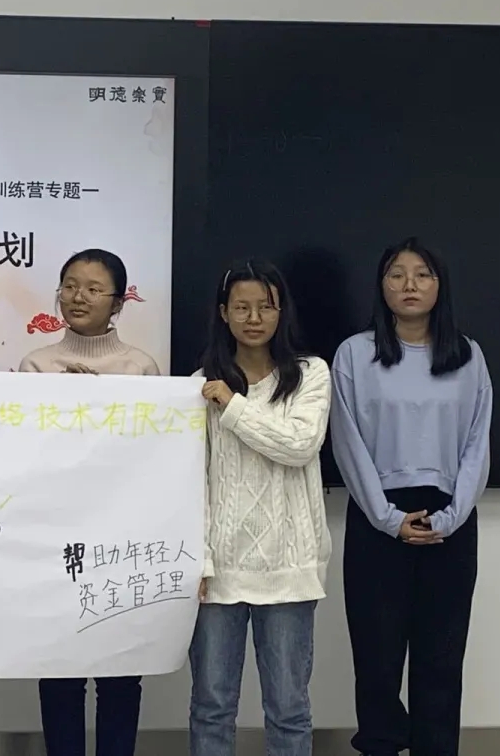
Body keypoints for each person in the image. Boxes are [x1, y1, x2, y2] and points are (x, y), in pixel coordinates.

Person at [330, 237, 492, 756]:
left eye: (422, 274)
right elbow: (347, 441)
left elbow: (477, 444)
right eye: (396, 274)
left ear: (439, 285)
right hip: (378, 519)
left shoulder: (467, 355)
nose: (409, 285)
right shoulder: (355, 354)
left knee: (440, 660)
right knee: (376, 662)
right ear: (382, 285)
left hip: (449, 522)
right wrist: (386, 517)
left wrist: (452, 516)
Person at [19, 248, 159, 756]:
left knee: (121, 672)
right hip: (55, 536)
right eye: (70, 285)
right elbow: (22, 452)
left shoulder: (141, 368)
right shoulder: (36, 365)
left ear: (118, 303)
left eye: (94, 289)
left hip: (122, 538)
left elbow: (153, 455)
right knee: (60, 671)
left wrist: (101, 406)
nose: (78, 297)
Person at [189, 260, 332, 756]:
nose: (254, 318)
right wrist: (200, 560)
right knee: (211, 707)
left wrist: (232, 406)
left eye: (266, 307)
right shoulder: (201, 384)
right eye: (242, 307)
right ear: (223, 313)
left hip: (289, 567)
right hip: (220, 571)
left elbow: (299, 445)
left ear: (281, 312)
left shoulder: (311, 374)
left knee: (289, 709)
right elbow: (194, 482)